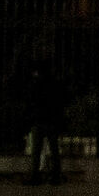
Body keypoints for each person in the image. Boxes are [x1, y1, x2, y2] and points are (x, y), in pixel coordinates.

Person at [22, 48, 66, 185]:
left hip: (39, 119)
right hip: (51, 119)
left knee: (36, 150)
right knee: (54, 149)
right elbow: (59, 101)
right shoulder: (54, 82)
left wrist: (29, 117)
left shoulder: (35, 84)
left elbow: (30, 101)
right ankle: (55, 175)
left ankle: (35, 176)